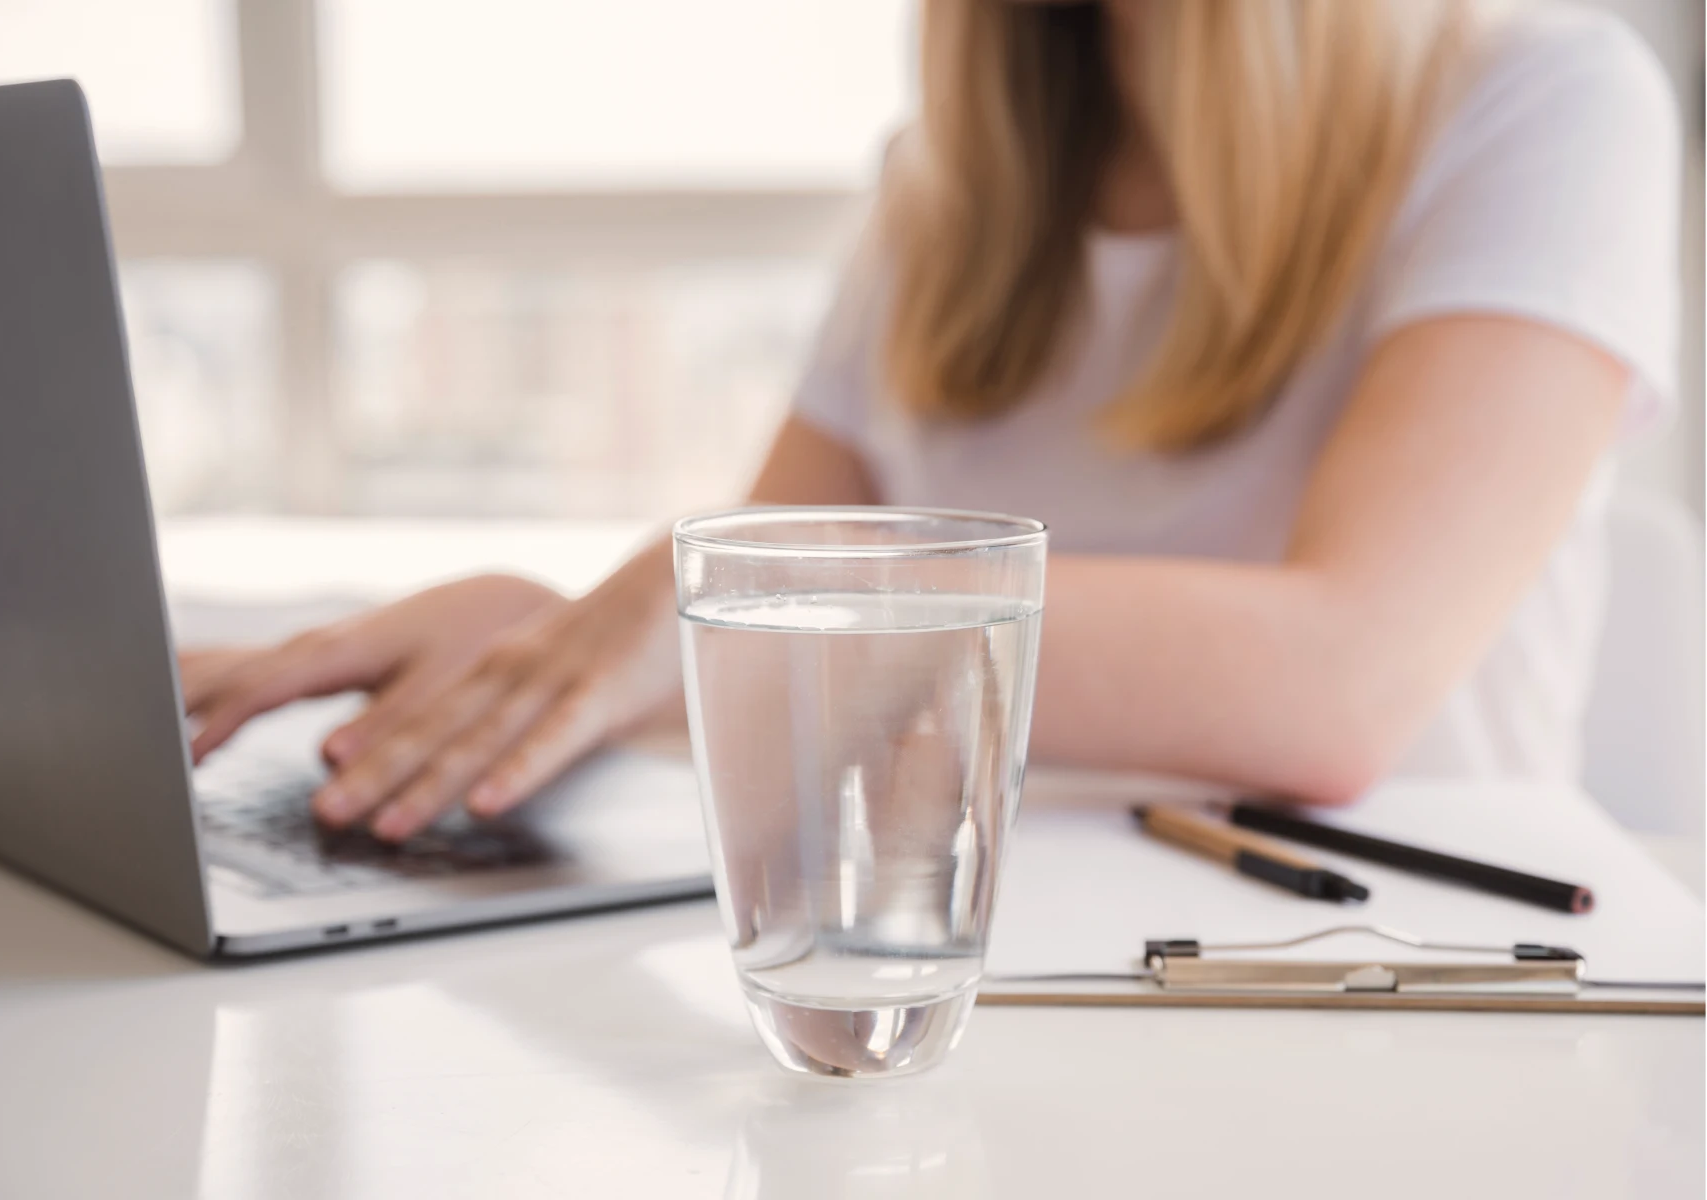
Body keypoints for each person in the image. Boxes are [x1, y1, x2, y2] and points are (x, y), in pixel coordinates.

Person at [181, 0, 1679, 844]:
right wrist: (552, 655)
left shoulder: (1544, 100)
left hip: (1375, 981)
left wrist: (687, 603)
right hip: (952, 949)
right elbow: (790, 653)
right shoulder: (944, 184)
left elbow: (1339, 688)